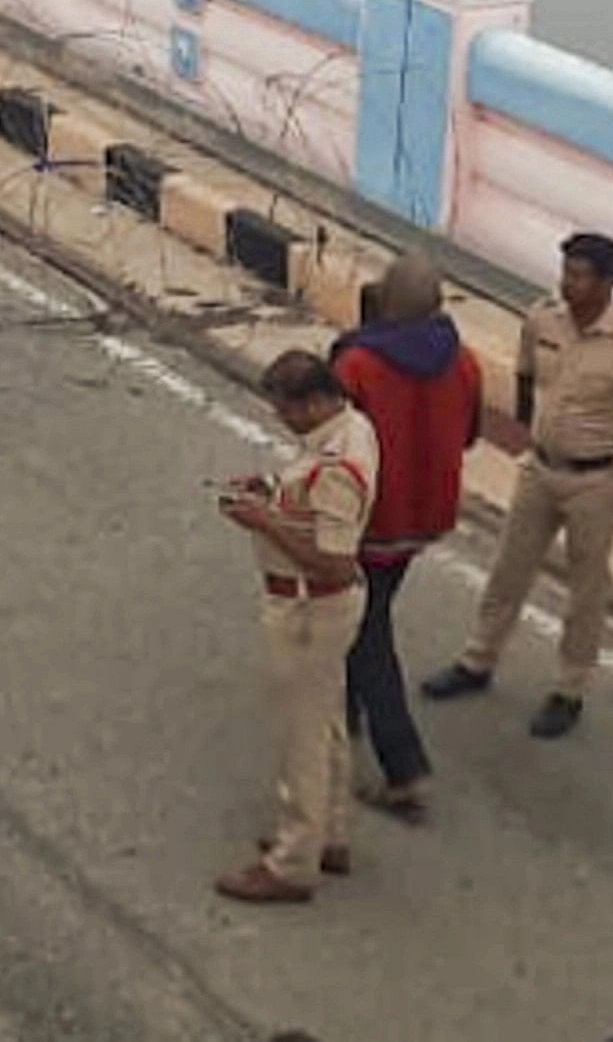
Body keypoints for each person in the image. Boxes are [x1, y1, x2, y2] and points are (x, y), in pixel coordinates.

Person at [425, 231, 613, 737]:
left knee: (586, 589)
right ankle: (478, 659)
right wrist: (533, 428)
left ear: (608, 283)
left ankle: (570, 688)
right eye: (566, 271)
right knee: (508, 568)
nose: (568, 283)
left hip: (596, 480)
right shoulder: (542, 317)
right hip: (540, 469)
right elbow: (523, 373)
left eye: (580, 275)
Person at [214, 350, 378, 904]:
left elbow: (332, 559)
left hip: (310, 607)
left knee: (300, 738)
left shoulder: (336, 470)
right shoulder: (350, 429)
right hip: (327, 608)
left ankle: (292, 861)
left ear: (313, 403)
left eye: (286, 411)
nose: (281, 420)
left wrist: (264, 521)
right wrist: (270, 487)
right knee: (327, 722)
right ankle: (329, 832)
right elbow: (307, 495)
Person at [330, 255, 480, 820]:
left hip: (368, 521)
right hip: (423, 519)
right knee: (370, 609)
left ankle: (404, 765)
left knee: (365, 629)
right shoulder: (462, 362)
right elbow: (468, 436)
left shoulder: (359, 364)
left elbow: (333, 441)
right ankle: (344, 707)